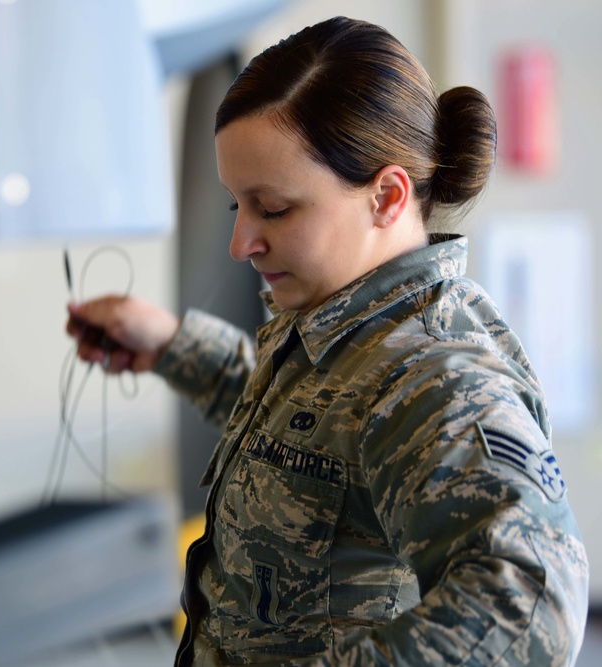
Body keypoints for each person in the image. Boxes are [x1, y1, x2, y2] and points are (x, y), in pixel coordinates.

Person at [65, 16, 589, 667]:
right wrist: (172, 343)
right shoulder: (338, 327)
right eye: (237, 207)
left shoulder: (432, 376)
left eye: (274, 208)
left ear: (386, 196)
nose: (241, 243)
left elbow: (529, 605)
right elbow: (306, 435)